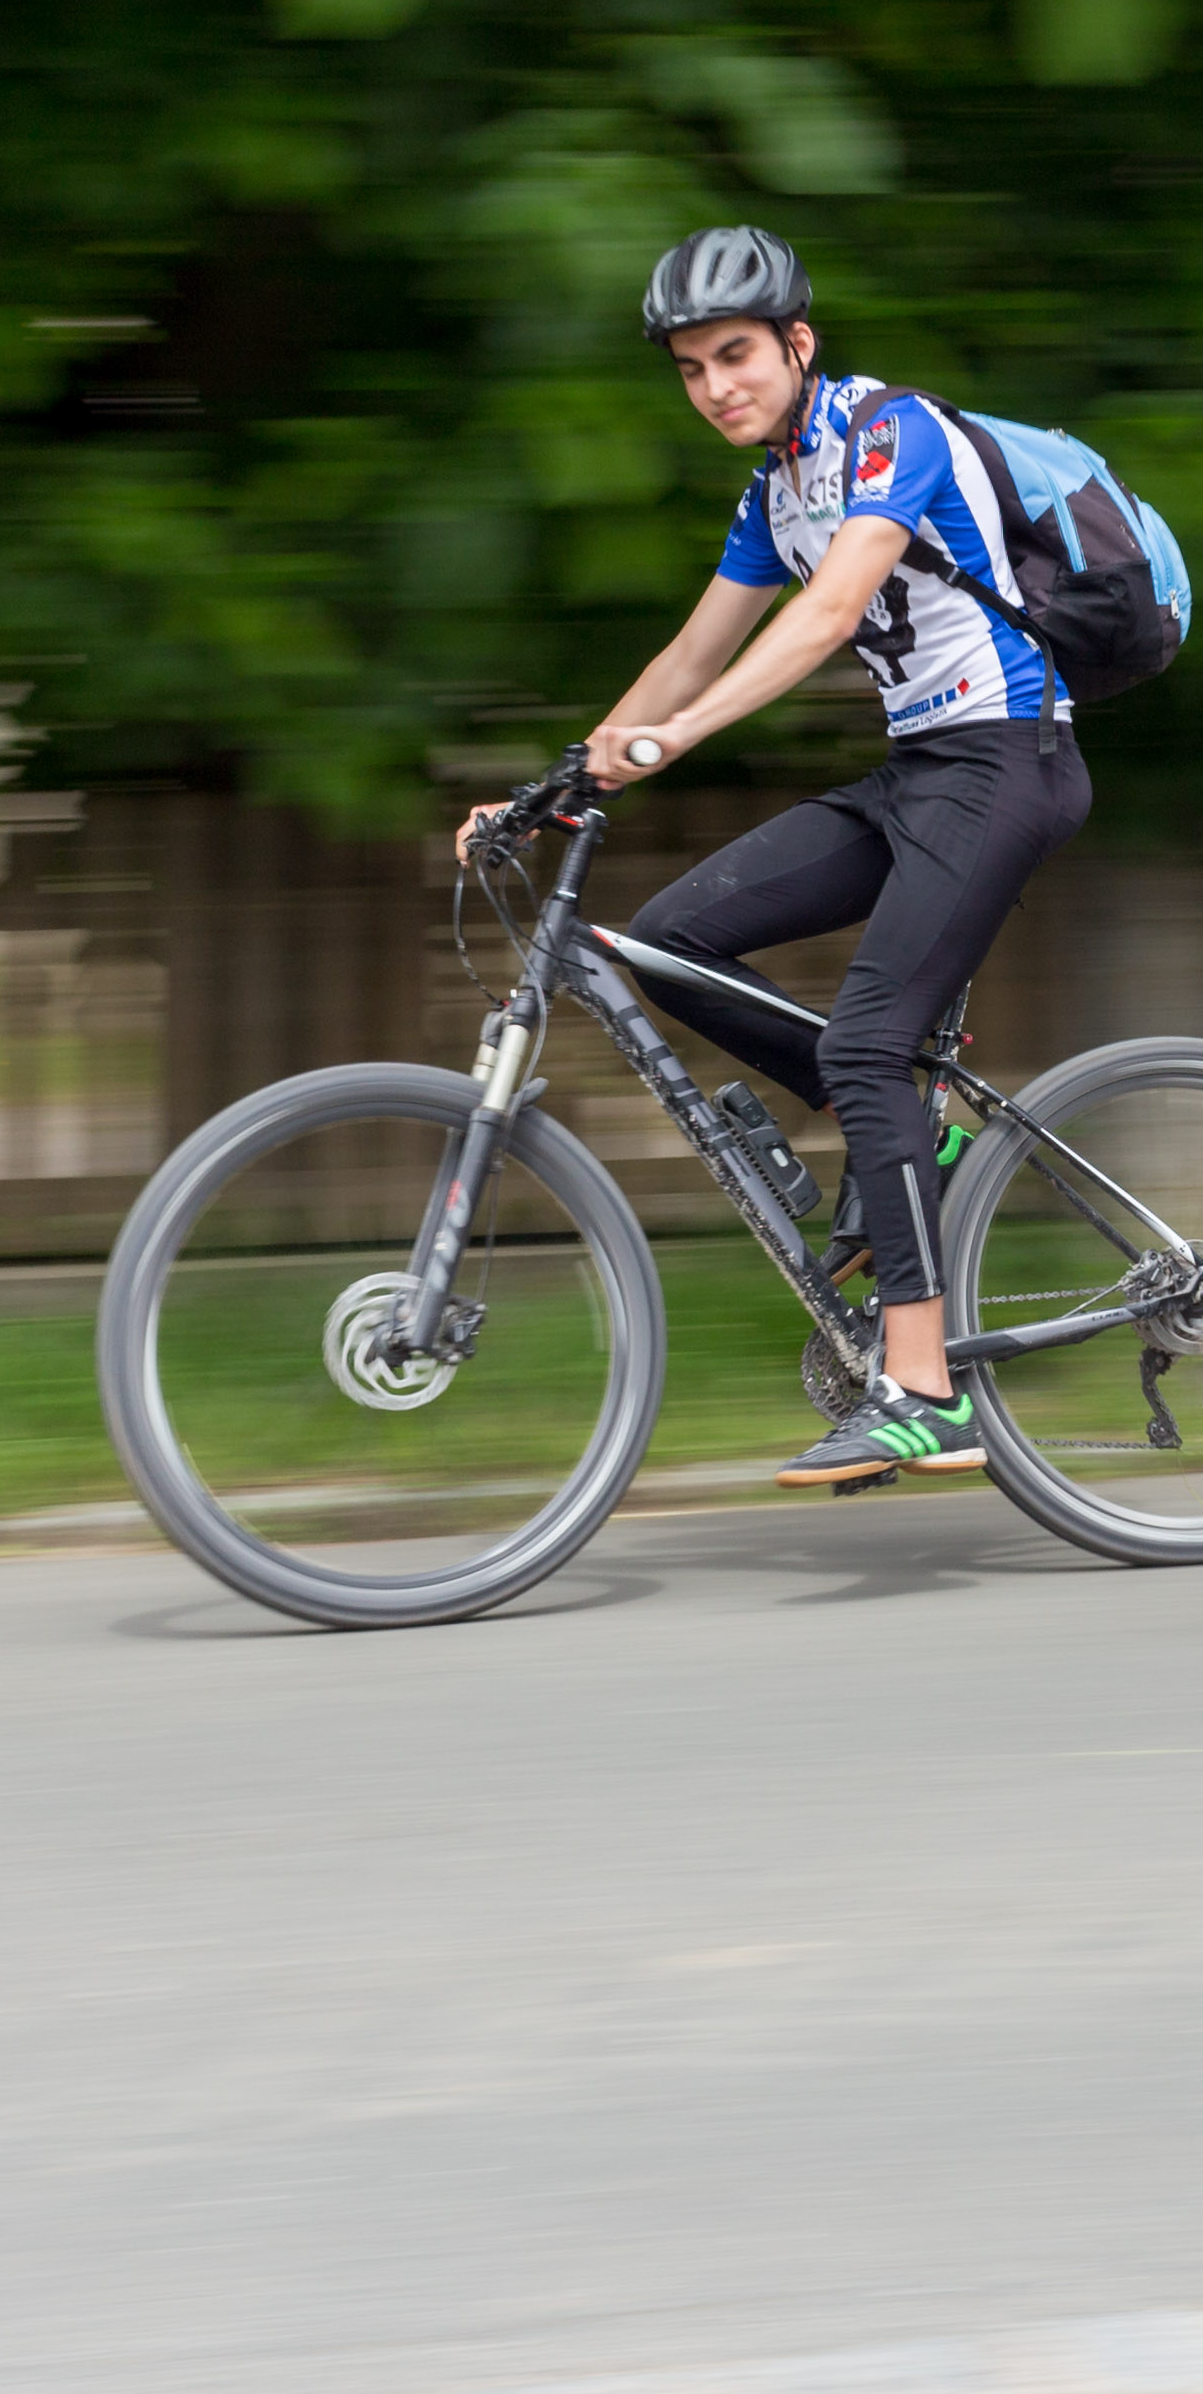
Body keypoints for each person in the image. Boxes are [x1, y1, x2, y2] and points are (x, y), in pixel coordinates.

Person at [454, 224, 1089, 1492]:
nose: (714, 388)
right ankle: (914, 1133)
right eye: (690, 370)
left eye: (734, 356)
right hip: (918, 774)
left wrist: (675, 740)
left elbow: (830, 613)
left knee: (861, 1045)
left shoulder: (884, 432)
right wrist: (561, 779)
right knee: (670, 942)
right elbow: (690, 653)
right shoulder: (772, 492)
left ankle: (924, 1392)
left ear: (797, 343)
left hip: (1008, 762)